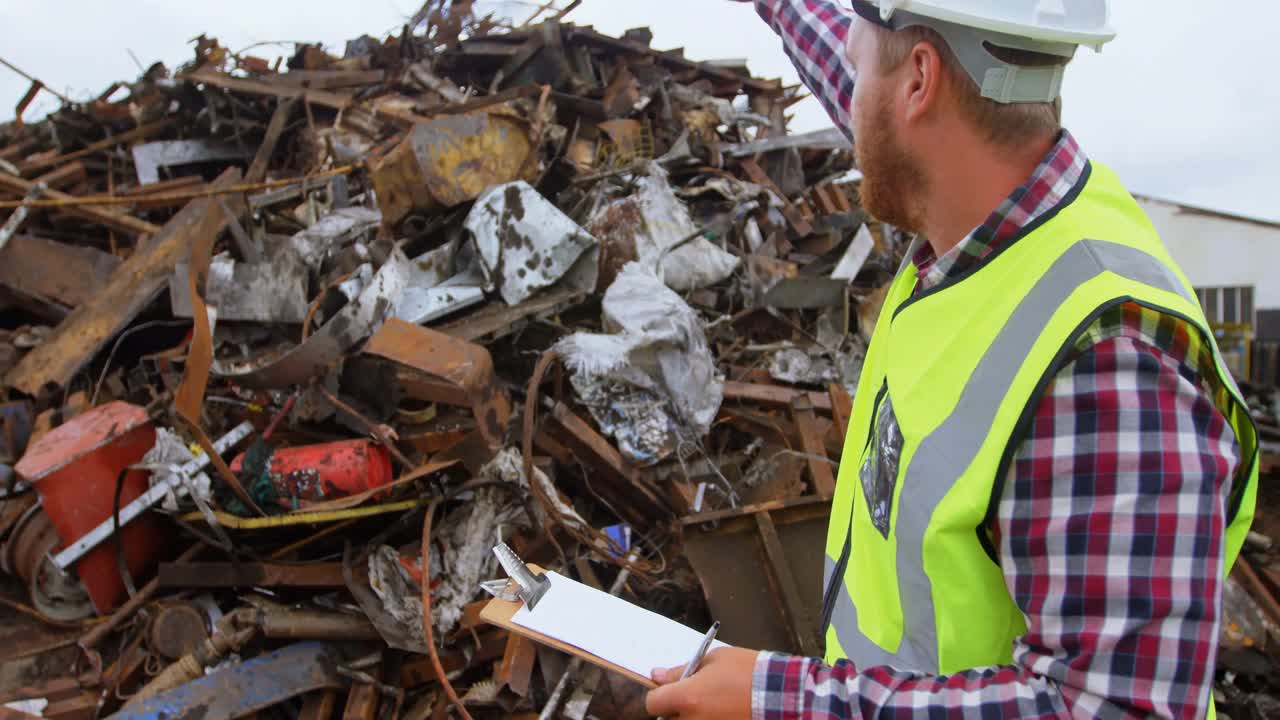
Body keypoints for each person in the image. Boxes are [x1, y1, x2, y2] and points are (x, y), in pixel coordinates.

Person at [644, 1, 1259, 718]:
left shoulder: (1108, 363)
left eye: (857, 68)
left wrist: (780, 703)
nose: (848, 94)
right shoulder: (981, 209)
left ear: (918, 81)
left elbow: (1113, 709)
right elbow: (871, 100)